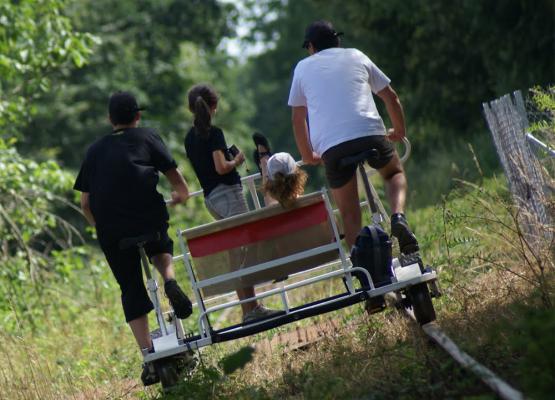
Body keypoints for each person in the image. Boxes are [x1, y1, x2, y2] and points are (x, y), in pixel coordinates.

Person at [73, 91, 193, 384]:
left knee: (129, 286)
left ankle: (148, 355)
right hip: (148, 218)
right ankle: (168, 279)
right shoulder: (148, 137)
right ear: (137, 117)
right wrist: (181, 196)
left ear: (109, 119)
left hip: (113, 230)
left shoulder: (94, 150)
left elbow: (85, 204)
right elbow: (177, 181)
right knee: (160, 244)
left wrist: (100, 228)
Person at [288, 20, 419, 254]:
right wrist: (399, 131)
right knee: (394, 173)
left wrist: (308, 154)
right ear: (337, 40)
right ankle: (398, 216)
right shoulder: (356, 56)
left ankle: (365, 270)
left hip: (332, 148)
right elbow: (391, 97)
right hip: (371, 133)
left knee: (349, 214)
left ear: (311, 46)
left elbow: (298, 119)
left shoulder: (302, 68)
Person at [184, 84, 280, 323]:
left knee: (236, 249)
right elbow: (220, 167)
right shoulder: (213, 133)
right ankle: (250, 309)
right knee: (244, 248)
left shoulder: (189, 137)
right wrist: (236, 159)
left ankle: (250, 308)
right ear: (214, 106)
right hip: (227, 193)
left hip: (211, 198)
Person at [252, 132, 307, 208]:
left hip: (275, 212)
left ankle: (264, 161)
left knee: (270, 203)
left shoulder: (270, 210)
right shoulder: (313, 201)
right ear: (298, 177)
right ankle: (264, 158)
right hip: (302, 209)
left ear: (269, 184)